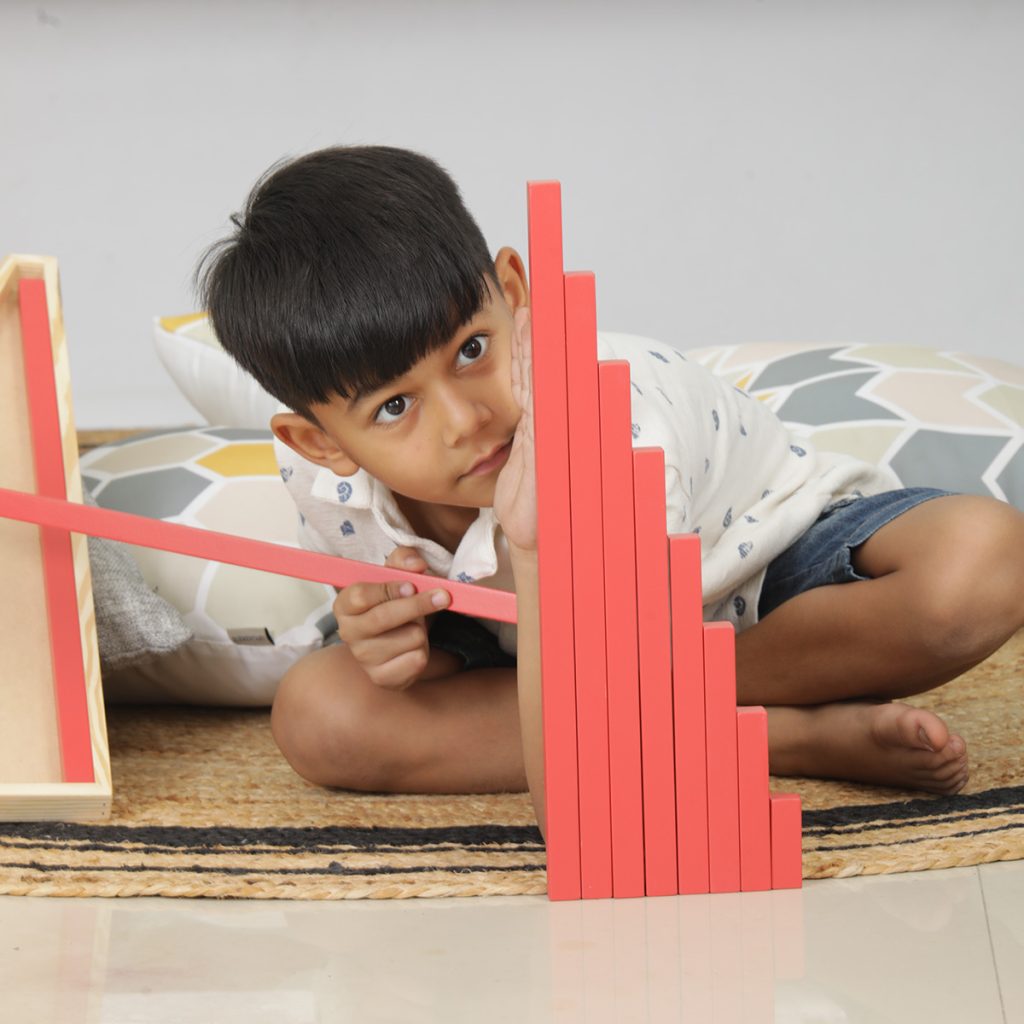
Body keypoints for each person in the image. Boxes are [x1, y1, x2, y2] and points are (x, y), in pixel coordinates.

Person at [197, 145, 1024, 837]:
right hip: (542, 644)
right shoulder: (319, 481)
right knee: (320, 715)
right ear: (321, 442)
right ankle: (781, 736)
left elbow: (593, 769)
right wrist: (381, 629)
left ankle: (707, 714)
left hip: (754, 573)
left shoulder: (615, 425)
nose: (464, 420)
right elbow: (448, 641)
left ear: (515, 295)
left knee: (982, 563)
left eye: (473, 348)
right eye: (395, 407)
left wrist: (546, 554)